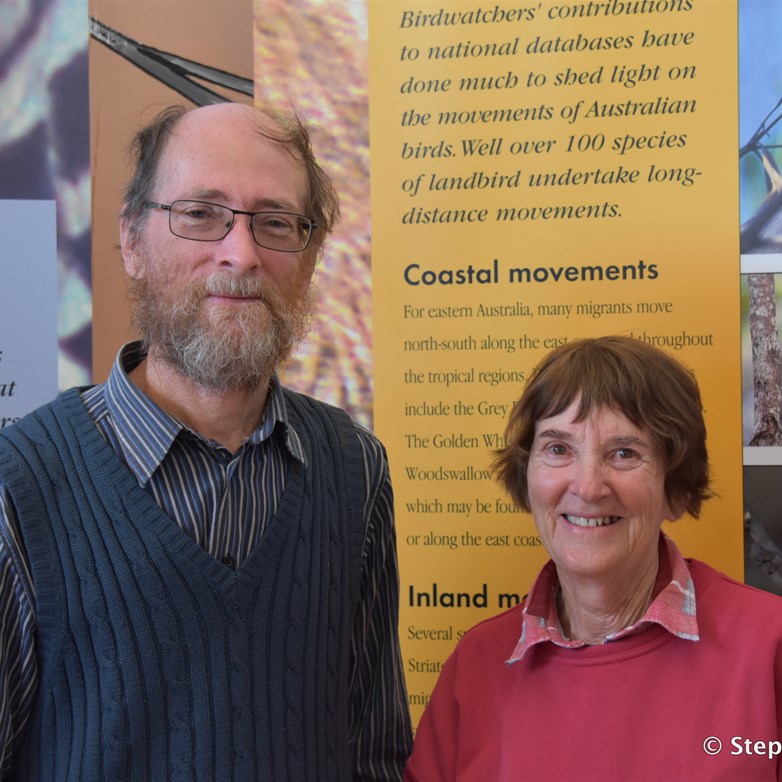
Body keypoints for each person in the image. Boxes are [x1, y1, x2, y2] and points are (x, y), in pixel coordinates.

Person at [0, 102, 412, 780]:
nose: (241, 253)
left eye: (276, 223)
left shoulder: (354, 469)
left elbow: (372, 753)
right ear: (132, 240)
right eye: (200, 214)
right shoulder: (22, 485)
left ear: (309, 258)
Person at [405, 336, 782, 781]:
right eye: (559, 449)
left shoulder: (768, 646)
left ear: (676, 489)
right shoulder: (476, 663)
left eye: (624, 453)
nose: (587, 486)